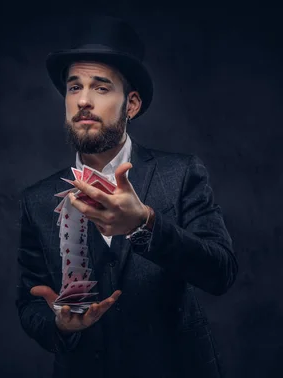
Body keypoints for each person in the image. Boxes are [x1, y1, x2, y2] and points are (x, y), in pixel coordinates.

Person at [15, 15, 238, 378]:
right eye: (74, 87)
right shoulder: (36, 200)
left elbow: (221, 272)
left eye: (101, 88)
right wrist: (60, 326)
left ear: (131, 105)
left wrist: (145, 223)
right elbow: (29, 303)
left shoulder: (180, 175)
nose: (83, 100)